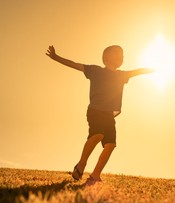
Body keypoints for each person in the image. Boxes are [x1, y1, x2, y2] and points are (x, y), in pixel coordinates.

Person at [46, 45, 153, 186]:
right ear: (107, 57)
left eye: (122, 55)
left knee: (110, 144)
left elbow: (138, 71)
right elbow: (73, 64)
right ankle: (81, 164)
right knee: (98, 134)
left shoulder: (121, 75)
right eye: (117, 54)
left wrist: (156, 68)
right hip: (95, 111)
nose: (121, 57)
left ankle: (95, 175)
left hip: (109, 115)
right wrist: (56, 57)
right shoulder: (95, 70)